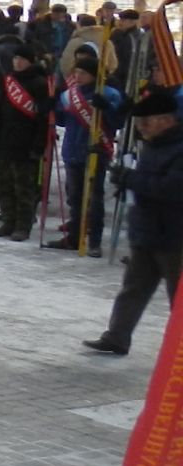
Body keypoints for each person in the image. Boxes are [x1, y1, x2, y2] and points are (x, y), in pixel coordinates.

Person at [85, 87, 183, 355]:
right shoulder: (152, 146)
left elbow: (172, 188)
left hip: (173, 238)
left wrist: (130, 179)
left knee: (179, 298)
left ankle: (178, 350)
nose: (142, 128)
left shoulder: (178, 149)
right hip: (146, 231)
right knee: (133, 289)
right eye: (139, 124)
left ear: (167, 119)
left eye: (146, 123)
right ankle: (117, 336)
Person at [49, 47, 124, 252]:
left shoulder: (108, 94)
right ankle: (74, 237)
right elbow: (63, 120)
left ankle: (94, 242)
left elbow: (117, 121)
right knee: (75, 197)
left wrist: (105, 108)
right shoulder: (69, 94)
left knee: (94, 199)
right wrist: (53, 106)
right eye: (77, 73)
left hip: (95, 150)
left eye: (83, 73)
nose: (78, 77)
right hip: (73, 150)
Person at [0, 41, 51, 240]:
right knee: (3, 184)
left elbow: (42, 118)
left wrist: (38, 145)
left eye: (22, 59)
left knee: (23, 187)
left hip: (26, 143)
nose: (18, 62)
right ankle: (8, 221)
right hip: (5, 140)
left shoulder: (39, 83)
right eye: (15, 59)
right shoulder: (8, 81)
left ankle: (23, 225)